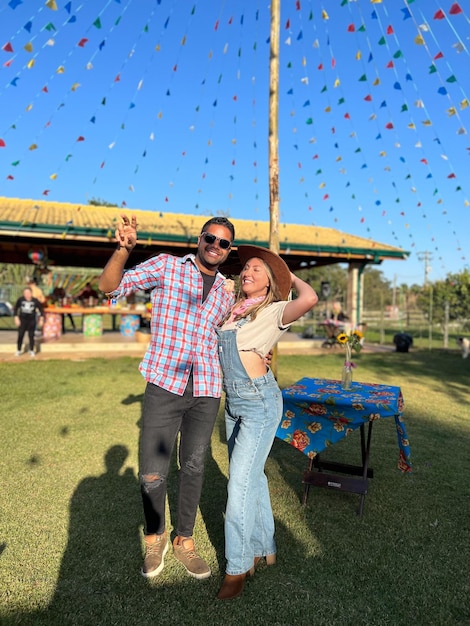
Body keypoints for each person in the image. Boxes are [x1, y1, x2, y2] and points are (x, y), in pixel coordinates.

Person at [98, 214, 236, 581]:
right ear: (200, 238)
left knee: (193, 466)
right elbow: (111, 288)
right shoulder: (166, 266)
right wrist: (122, 251)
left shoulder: (228, 291)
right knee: (153, 472)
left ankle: (184, 540)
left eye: (223, 243)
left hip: (206, 389)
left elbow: (239, 334)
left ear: (228, 250)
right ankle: (155, 536)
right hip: (165, 386)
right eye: (210, 238)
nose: (215, 246)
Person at [215, 245, 318, 600]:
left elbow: (311, 296)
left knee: (239, 485)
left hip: (259, 402)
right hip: (233, 403)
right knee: (252, 478)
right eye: (246, 269)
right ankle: (264, 546)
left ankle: (238, 565)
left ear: (272, 282)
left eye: (258, 270)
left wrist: (287, 275)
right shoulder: (233, 311)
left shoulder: (275, 310)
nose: (248, 273)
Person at [14, 286, 45, 357]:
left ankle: (31, 350)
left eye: (28, 293)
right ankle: (18, 350)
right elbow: (16, 309)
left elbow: (41, 310)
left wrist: (41, 319)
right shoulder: (20, 300)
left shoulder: (35, 301)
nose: (27, 294)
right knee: (20, 335)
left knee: (31, 336)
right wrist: (16, 318)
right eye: (25, 293)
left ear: (31, 293)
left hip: (31, 321)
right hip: (22, 320)